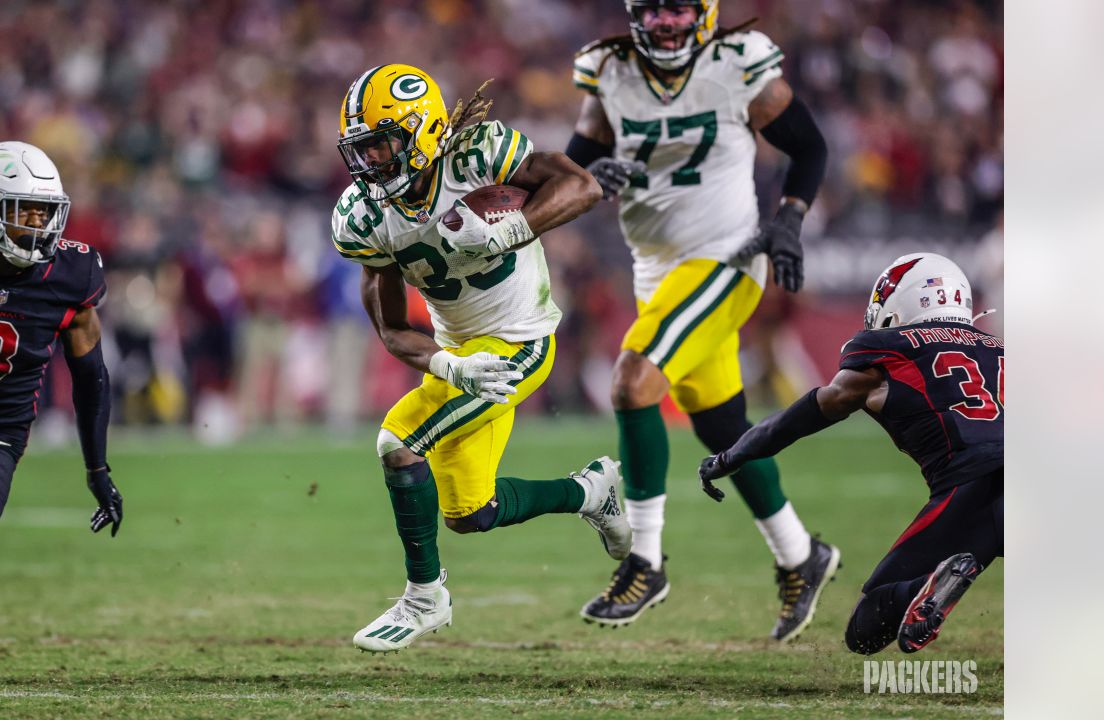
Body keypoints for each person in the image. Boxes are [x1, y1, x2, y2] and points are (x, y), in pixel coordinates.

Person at [332, 64, 626, 653]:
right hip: (467, 353)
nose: (371, 164)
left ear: (422, 132)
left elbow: (582, 187)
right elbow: (391, 327)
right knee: (470, 513)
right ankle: (592, 492)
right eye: (361, 152)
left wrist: (511, 229)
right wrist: (447, 364)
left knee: (398, 440)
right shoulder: (367, 217)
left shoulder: (475, 157)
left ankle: (424, 597)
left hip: (522, 341)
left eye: (382, 146)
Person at [566, 0, 837, 639]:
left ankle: (646, 559)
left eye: (678, 11)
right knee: (722, 430)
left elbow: (808, 146)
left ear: (706, 14)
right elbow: (579, 159)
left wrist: (791, 219)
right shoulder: (608, 69)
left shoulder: (738, 63)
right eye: (652, 12)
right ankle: (802, 554)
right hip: (655, 270)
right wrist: (586, 177)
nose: (664, 25)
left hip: (728, 257)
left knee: (633, 381)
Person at [700, 253, 1003, 653]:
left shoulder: (888, 350)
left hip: (975, 484)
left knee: (867, 628)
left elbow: (802, 415)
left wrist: (731, 455)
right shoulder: (1000, 349)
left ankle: (926, 587)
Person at [0, 141, 123, 591]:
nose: (38, 224)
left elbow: (91, 377)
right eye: (23, 210)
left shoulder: (73, 274)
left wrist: (98, 470)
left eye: (44, 211)